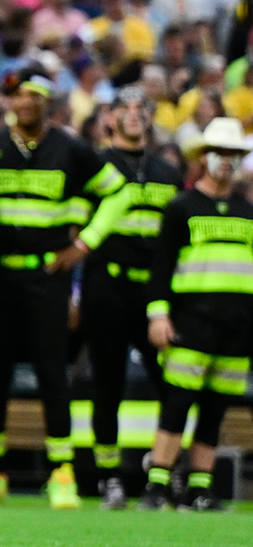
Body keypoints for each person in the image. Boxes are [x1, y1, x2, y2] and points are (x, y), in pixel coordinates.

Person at [0, 65, 127, 509]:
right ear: (8, 101)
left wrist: (86, 244)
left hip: (48, 276)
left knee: (52, 372)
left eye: (35, 95)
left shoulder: (70, 149)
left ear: (48, 101)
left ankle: (62, 472)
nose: (26, 102)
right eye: (18, 95)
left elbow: (120, 192)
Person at [140, 117, 253, 512]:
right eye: (221, 153)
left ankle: (199, 488)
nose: (227, 161)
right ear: (204, 157)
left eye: (234, 155)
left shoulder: (247, 211)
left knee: (216, 408)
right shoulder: (181, 207)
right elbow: (161, 268)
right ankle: (156, 484)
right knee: (178, 401)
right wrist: (158, 316)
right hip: (191, 320)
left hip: (238, 325)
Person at [81, 87, 180, 509]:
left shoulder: (167, 171)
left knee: (172, 382)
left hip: (154, 290)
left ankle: (163, 470)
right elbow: (76, 230)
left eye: (143, 108)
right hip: (106, 283)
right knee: (107, 382)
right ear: (109, 116)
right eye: (127, 108)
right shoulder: (96, 165)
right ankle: (109, 478)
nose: (136, 115)